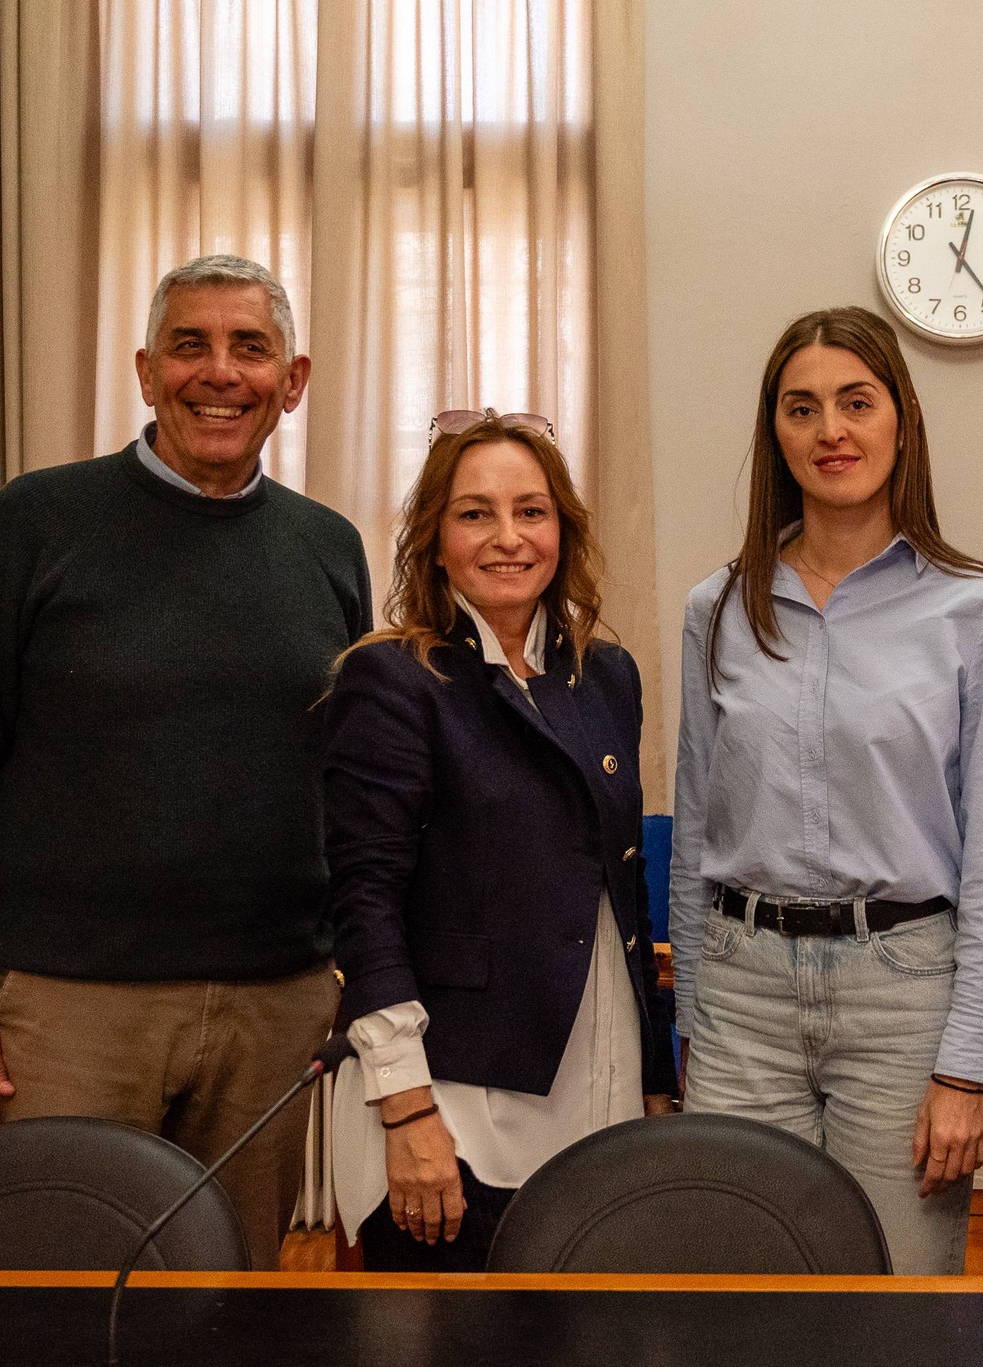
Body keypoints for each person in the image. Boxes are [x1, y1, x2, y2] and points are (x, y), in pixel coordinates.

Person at [0, 254, 369, 1267]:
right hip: (72, 1009)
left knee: (230, 1293)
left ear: (292, 380)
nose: (220, 372)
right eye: (189, 345)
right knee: (58, 1293)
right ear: (146, 371)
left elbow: (350, 786)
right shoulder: (36, 522)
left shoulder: (329, 547)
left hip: (274, 1007)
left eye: (250, 348)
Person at [669, 306, 983, 1275]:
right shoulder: (718, 608)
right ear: (775, 433)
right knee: (749, 1295)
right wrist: (694, 1022)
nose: (830, 430)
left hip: (904, 996)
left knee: (895, 1301)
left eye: (855, 402)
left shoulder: (977, 611)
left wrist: (968, 1067)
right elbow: (696, 829)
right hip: (743, 993)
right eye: (802, 408)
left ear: (901, 420)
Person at [322, 410, 677, 1272]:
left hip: (598, 1082)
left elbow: (623, 890)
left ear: (563, 531)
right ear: (435, 542)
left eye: (532, 511)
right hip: (451, 1103)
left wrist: (654, 1079)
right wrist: (406, 1110)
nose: (508, 537)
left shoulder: (605, 674)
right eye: (475, 513)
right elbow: (364, 903)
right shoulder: (393, 677)